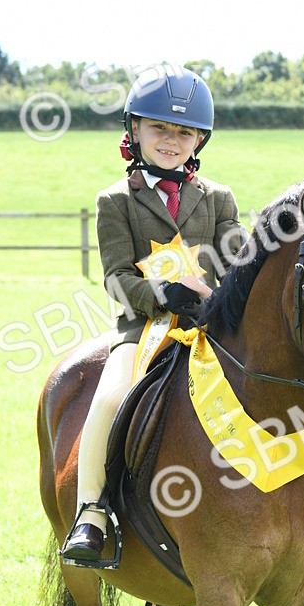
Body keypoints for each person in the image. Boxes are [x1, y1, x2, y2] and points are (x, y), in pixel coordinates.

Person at [61, 67, 246, 563]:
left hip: (209, 326)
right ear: (135, 130)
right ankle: (91, 513)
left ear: (199, 139)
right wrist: (162, 294)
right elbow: (117, 277)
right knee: (108, 400)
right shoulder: (115, 201)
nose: (170, 140)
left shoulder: (219, 198)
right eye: (159, 128)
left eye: (183, 132)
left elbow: (238, 261)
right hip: (143, 329)